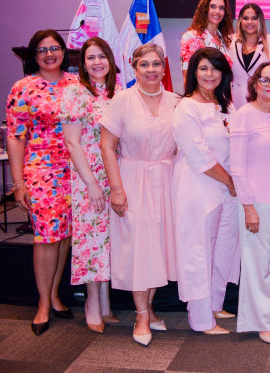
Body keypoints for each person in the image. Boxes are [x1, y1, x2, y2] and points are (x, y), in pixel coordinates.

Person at [100, 44, 179, 346]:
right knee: (138, 248)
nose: (151, 70)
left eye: (156, 64)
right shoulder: (122, 101)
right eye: (144, 64)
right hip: (132, 180)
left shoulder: (175, 101)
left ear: (163, 67)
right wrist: (116, 189)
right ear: (134, 68)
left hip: (166, 180)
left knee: (158, 247)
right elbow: (108, 146)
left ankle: (150, 308)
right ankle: (141, 315)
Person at [6, 30, 78, 336]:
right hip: (40, 172)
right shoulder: (22, 88)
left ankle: (55, 296)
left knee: (64, 236)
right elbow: (14, 135)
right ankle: (43, 305)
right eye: (43, 50)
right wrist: (18, 182)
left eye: (55, 48)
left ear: (63, 52)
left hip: (75, 171)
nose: (50, 54)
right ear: (34, 56)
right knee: (46, 238)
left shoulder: (76, 84)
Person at [172, 48, 239, 335]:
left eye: (215, 68)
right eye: (203, 68)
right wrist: (230, 181)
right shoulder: (187, 107)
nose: (209, 74)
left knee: (223, 249)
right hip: (200, 187)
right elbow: (198, 154)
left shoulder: (226, 105)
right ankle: (200, 319)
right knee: (199, 251)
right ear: (192, 73)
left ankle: (214, 303)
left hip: (227, 189)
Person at [60, 37, 121, 334]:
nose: (97, 62)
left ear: (110, 60)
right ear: (83, 63)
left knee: (109, 240)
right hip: (89, 179)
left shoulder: (118, 93)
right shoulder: (75, 92)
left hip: (116, 176)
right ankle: (92, 304)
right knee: (92, 242)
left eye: (102, 57)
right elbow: (72, 142)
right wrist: (92, 184)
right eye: (90, 58)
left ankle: (107, 303)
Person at [230, 62, 270, 344]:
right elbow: (237, 166)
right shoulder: (244, 116)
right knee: (256, 262)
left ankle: (268, 314)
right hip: (255, 201)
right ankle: (257, 320)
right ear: (254, 84)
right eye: (264, 80)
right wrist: (248, 205)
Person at [230, 3, 270, 109]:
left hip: (265, 103)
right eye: (246, 18)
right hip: (235, 103)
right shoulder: (229, 42)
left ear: (260, 20)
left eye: (254, 18)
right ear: (240, 20)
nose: (249, 22)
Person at [180, 0, 235, 77]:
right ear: (205, 9)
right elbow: (187, 76)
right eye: (212, 7)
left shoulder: (226, 40)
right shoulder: (191, 37)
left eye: (221, 8)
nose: (217, 11)